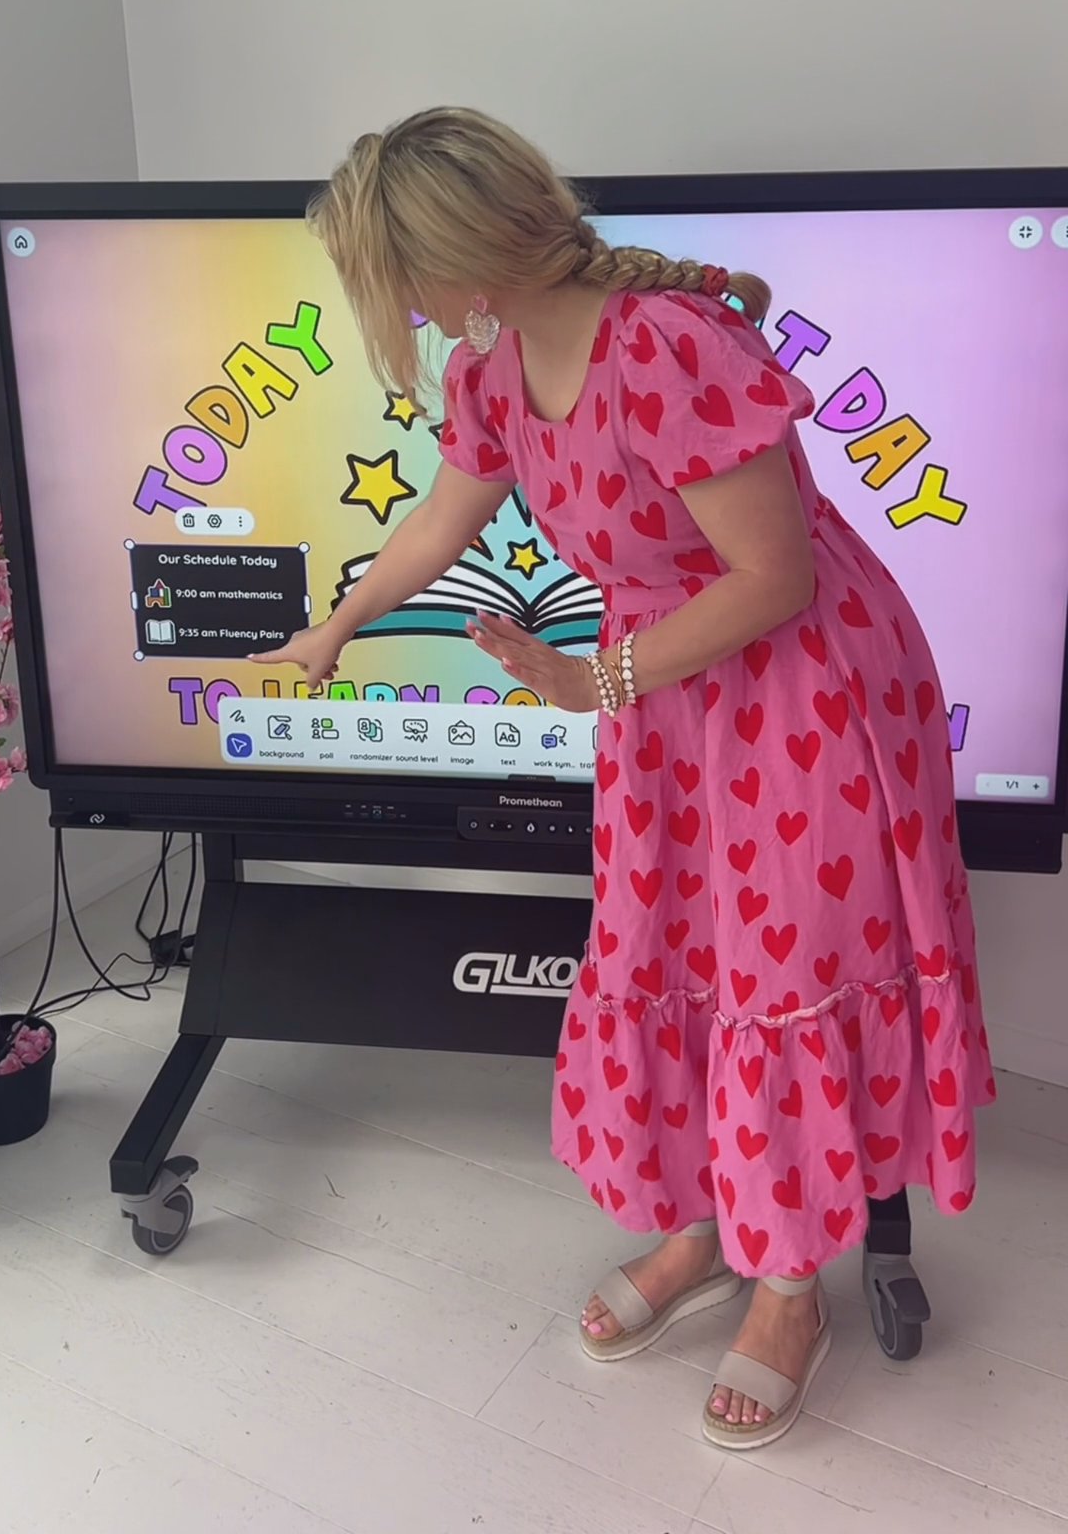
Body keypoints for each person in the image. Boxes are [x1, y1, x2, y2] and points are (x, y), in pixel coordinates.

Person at [251, 107, 993, 1451]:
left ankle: (790, 1285)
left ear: (462, 260)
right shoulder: (495, 370)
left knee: (782, 971)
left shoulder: (665, 347)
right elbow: (443, 516)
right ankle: (709, 1226)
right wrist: (338, 623)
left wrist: (591, 680)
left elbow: (777, 579)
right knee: (680, 950)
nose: (400, 310)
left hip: (798, 689)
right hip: (665, 696)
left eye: (399, 279)